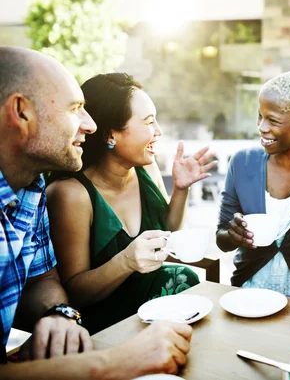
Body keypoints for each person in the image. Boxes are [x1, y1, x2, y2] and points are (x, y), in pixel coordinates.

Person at [0, 47, 191, 378]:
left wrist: (58, 314)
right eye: (75, 109)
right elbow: (76, 286)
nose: (89, 125)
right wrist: (114, 362)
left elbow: (42, 280)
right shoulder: (67, 193)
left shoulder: (31, 192)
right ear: (21, 112)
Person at [46, 73, 217, 334]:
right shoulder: (71, 194)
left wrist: (181, 189)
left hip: (152, 306)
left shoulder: (146, 169)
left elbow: (168, 229)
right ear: (110, 135)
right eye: (149, 122)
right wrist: (125, 261)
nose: (158, 131)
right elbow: (74, 292)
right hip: (104, 321)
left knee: (189, 282)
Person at [216, 72, 290, 297]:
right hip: (248, 296)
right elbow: (221, 239)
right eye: (260, 116)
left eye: (273, 120)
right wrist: (233, 234)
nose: (262, 127)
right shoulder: (242, 162)